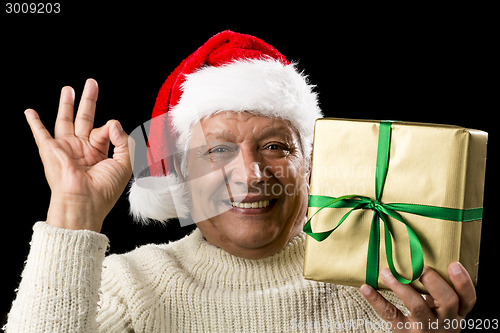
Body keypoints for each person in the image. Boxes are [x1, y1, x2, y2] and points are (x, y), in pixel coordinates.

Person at [6, 31, 476, 332]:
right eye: (218, 151)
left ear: (311, 167)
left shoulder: (389, 282)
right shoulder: (130, 287)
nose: (251, 175)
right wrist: (74, 210)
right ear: (180, 177)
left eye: (276, 147)